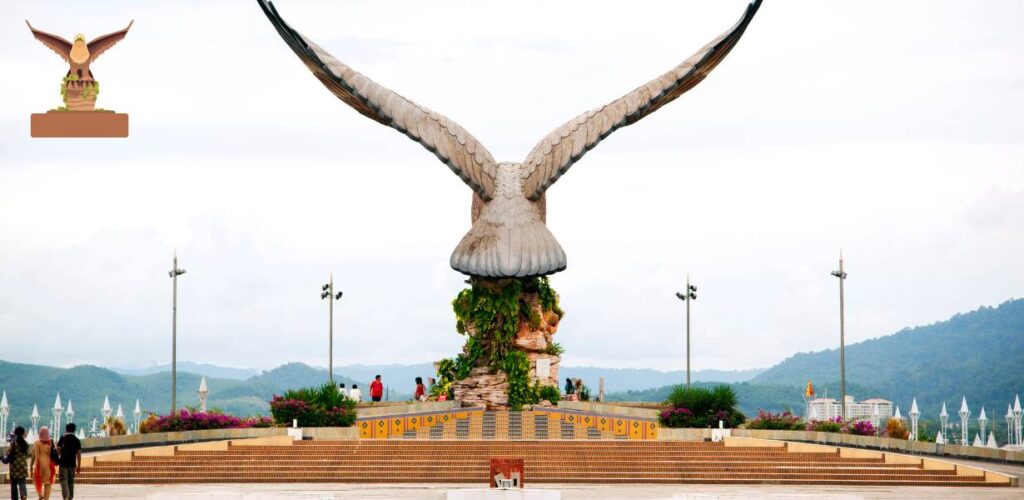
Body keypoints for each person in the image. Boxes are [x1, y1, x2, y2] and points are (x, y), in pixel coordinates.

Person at [56, 423, 81, 500]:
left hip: (63, 463)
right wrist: (79, 466)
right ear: (74, 430)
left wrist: (61, 454)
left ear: (66, 429)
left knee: (64, 480)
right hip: (72, 464)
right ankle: (70, 497)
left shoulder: (63, 438)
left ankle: (66, 496)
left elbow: (58, 448)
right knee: (71, 481)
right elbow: (79, 454)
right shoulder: (77, 440)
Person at [31, 426, 56, 500]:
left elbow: (35, 455)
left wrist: (32, 465)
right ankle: (46, 498)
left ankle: (40, 495)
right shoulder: (51, 442)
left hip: (40, 464)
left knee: (36, 480)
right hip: (49, 465)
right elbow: (54, 453)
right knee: (48, 483)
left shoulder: (36, 443)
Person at [5, 426, 29, 500]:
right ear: (23, 433)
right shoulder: (26, 444)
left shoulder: (14, 444)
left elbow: (8, 452)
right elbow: (27, 454)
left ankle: (14, 498)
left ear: (15, 433)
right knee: (22, 482)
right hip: (23, 465)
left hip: (14, 466)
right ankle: (23, 495)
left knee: (14, 484)